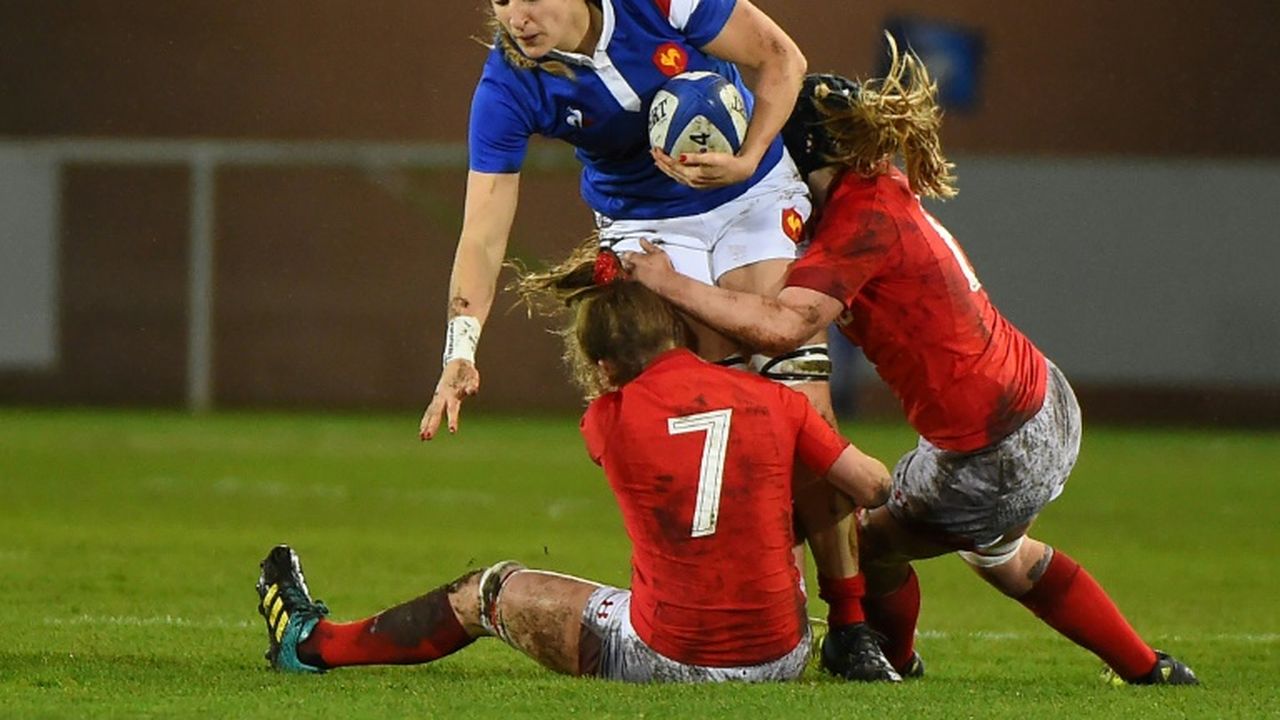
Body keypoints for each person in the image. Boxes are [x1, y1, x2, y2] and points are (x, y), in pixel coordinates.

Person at [623, 38, 1199, 686]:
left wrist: (665, 280)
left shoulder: (855, 226)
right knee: (1002, 556)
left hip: (991, 445)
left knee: (868, 543)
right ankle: (1151, 671)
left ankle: (888, 663)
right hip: (1039, 400)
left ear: (804, 149)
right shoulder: (878, 188)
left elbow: (781, 328)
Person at [417, 0, 897, 681]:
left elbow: (780, 59)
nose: (516, 14)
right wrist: (460, 349)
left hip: (749, 196)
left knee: (799, 396)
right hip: (644, 230)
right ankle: (734, 609)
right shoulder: (508, 84)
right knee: (708, 419)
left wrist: (750, 155)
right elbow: (483, 229)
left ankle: (849, 622)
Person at [256, 258, 892, 682]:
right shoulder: (776, 400)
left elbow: (652, 422)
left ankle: (315, 646)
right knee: (815, 472)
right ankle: (857, 632)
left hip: (667, 658)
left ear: (605, 366)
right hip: (784, 655)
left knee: (487, 591)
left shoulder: (607, 421)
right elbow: (873, 486)